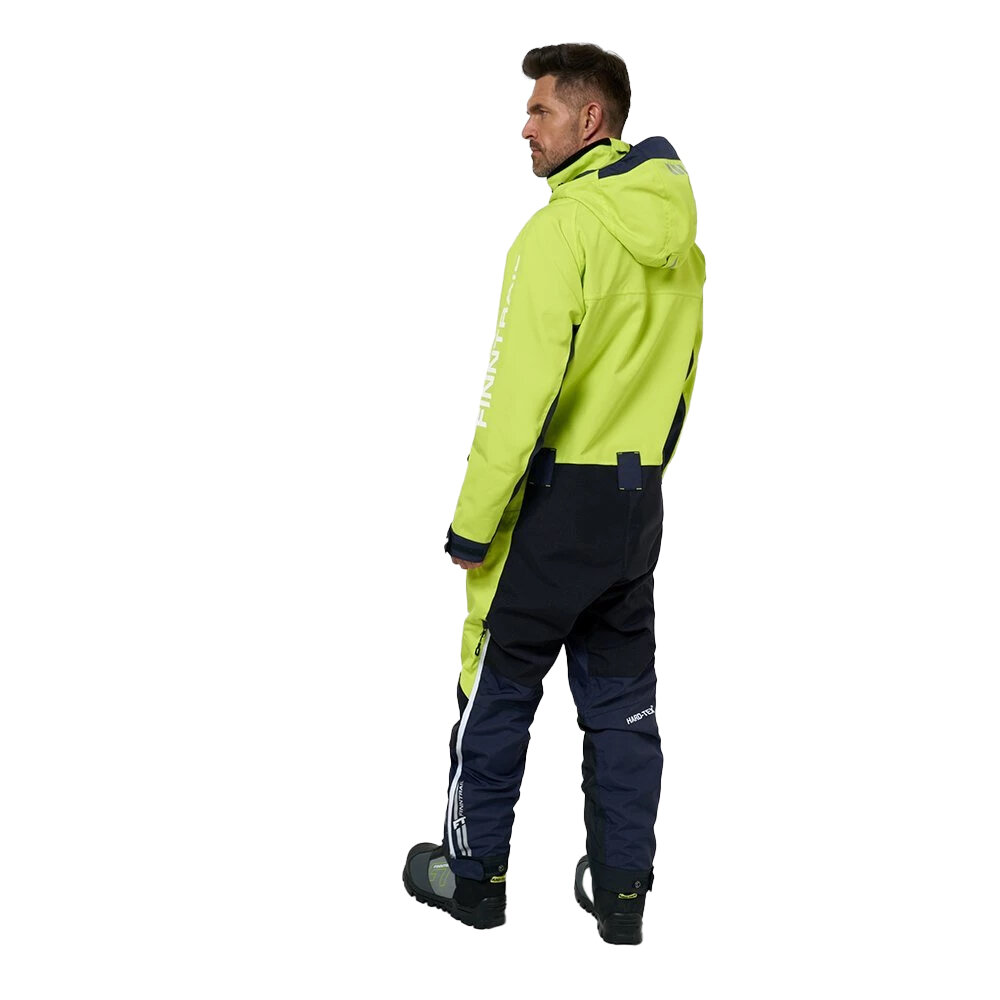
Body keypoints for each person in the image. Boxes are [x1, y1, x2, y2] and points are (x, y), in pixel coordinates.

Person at [402, 42, 706, 945]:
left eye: (541, 110)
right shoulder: (682, 248)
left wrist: (471, 526)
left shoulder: (559, 234)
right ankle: (622, 896)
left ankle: (473, 880)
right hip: (635, 506)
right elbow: (681, 382)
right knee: (623, 707)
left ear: (591, 119)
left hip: (551, 508)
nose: (525, 127)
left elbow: (515, 401)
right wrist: (643, 479)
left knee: (496, 690)